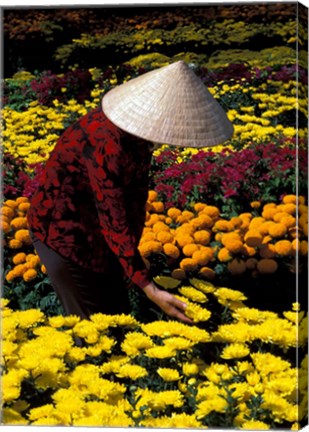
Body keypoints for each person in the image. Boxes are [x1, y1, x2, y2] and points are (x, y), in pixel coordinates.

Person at [27, 60, 233, 323]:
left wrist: (132, 269)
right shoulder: (108, 143)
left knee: (120, 318)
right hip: (64, 238)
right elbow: (115, 216)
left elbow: (131, 200)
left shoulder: (138, 136)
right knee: (95, 334)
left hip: (100, 239)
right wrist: (150, 288)